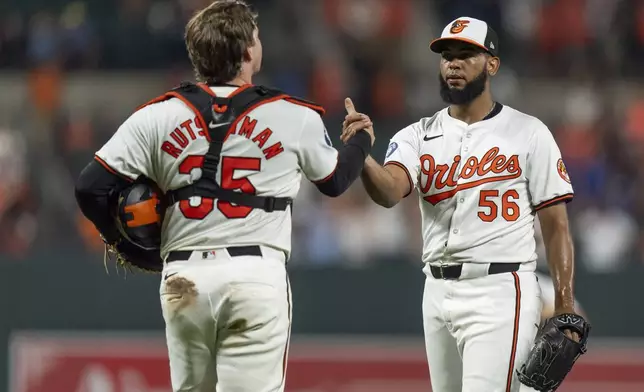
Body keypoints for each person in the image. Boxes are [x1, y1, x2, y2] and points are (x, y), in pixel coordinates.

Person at [74, 1, 374, 391]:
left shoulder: (158, 114)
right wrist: (362, 142)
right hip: (254, 274)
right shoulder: (292, 115)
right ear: (249, 50)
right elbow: (334, 181)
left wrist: (127, 247)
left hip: (185, 276)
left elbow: (90, 187)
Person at [342, 16, 583, 392]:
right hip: (436, 291)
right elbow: (390, 191)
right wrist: (362, 155)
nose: (453, 63)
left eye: (466, 54)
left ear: (492, 63)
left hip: (500, 289)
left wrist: (565, 305)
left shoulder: (529, 132)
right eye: (446, 55)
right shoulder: (417, 135)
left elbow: (556, 224)